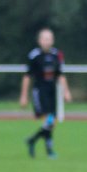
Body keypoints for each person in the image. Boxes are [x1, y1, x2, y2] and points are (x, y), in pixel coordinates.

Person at [19, 28, 72, 158]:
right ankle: (48, 150)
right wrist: (24, 96)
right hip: (39, 91)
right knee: (49, 120)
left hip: (52, 91)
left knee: (51, 122)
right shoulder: (34, 56)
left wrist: (66, 91)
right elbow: (27, 76)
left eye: (49, 38)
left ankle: (33, 141)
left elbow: (60, 75)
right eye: (45, 38)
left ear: (53, 40)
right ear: (39, 40)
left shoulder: (57, 55)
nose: (47, 41)